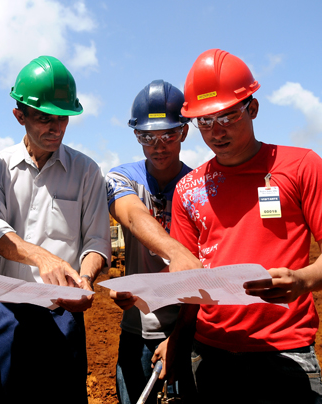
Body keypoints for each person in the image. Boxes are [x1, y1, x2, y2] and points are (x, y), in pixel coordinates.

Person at [156, 48, 322, 404]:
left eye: (228, 116)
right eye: (204, 121)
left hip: (285, 354)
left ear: (253, 108)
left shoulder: (300, 166)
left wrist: (304, 280)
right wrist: (178, 337)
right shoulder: (188, 189)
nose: (216, 131)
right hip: (211, 355)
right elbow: (189, 279)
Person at [0, 55, 111, 404]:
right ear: (19, 115)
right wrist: (42, 258)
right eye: (44, 118)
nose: (56, 128)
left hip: (63, 311)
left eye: (63, 119)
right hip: (9, 311)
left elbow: (96, 239)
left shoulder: (86, 172)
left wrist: (85, 279)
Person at [106, 80, 202, 404]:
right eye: (147, 137)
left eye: (168, 135)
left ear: (185, 132)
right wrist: (176, 253)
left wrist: (180, 337)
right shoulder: (122, 177)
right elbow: (132, 215)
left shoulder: (200, 187)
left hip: (190, 332)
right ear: (136, 136)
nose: (158, 146)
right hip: (137, 330)